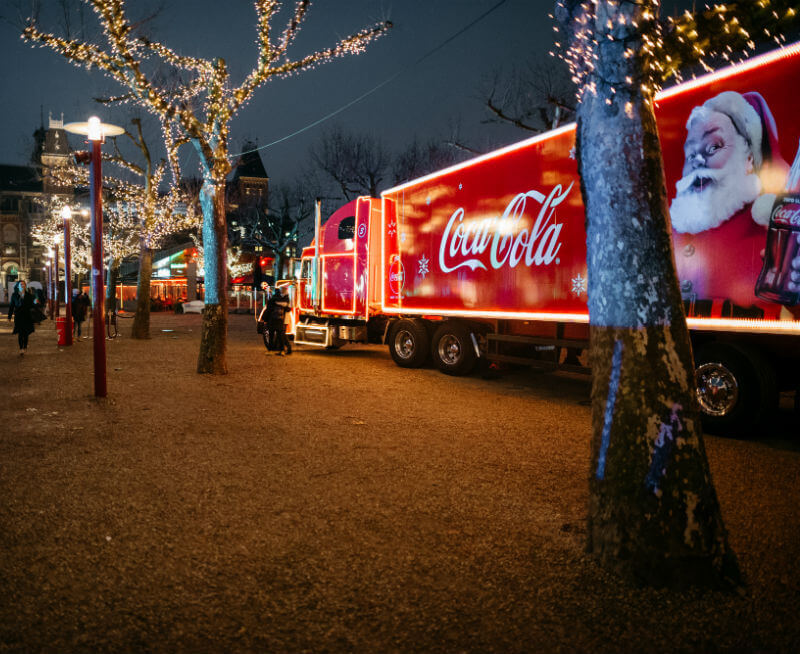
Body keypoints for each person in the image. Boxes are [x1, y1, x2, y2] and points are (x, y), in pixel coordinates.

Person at [668, 90, 798, 317]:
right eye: (691, 154)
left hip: (754, 330)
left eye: (713, 147)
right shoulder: (677, 225)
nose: (698, 160)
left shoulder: (771, 215)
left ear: (749, 157)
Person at [7, 280, 38, 355]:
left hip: (27, 316)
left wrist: (35, 303)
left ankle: (25, 346)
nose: (22, 285)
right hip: (18, 316)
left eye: (24, 284)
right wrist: (9, 316)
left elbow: (32, 306)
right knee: (20, 332)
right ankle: (21, 348)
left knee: (26, 332)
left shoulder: (29, 295)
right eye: (21, 284)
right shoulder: (14, 295)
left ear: (25, 286)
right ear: (18, 286)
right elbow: (12, 306)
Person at [268, 285, 292, 356]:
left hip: (280, 318)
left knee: (280, 334)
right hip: (281, 318)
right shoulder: (285, 298)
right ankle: (283, 349)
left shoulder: (276, 297)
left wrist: (276, 303)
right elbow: (287, 307)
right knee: (280, 334)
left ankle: (283, 349)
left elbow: (271, 304)